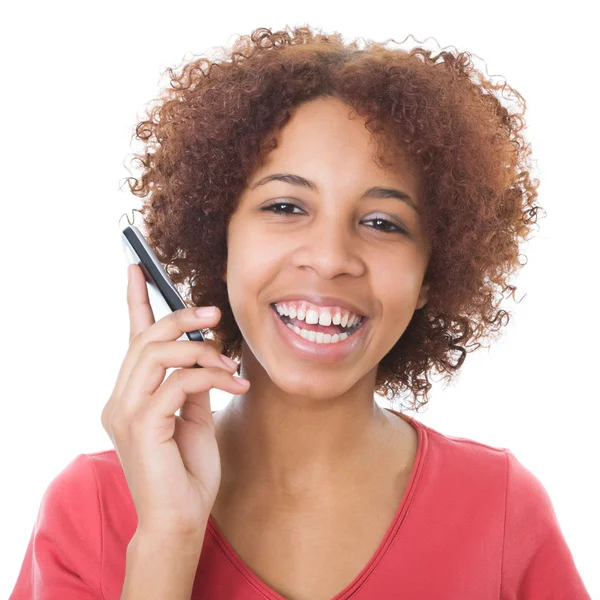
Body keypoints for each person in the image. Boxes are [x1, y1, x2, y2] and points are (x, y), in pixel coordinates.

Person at [10, 25, 591, 600]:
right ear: (221, 238)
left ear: (430, 277)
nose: (331, 258)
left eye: (383, 223)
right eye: (286, 206)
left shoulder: (501, 510)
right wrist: (168, 538)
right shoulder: (91, 509)